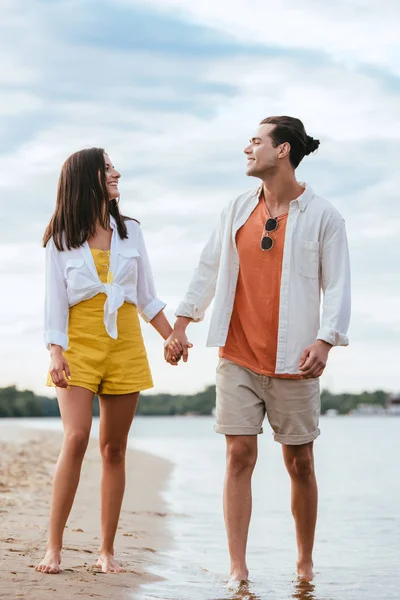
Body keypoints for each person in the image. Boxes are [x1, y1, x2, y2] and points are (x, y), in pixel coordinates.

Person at [165, 116, 351, 583]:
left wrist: (326, 341)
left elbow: (339, 285)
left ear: (283, 150)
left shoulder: (325, 216)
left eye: (256, 141)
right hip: (237, 355)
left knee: (300, 463)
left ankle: (304, 563)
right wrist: (181, 325)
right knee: (239, 456)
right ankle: (238, 569)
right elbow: (208, 267)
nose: (248, 149)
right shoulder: (234, 209)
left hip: (295, 359)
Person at [36, 148, 179, 575]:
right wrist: (55, 351)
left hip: (125, 344)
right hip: (77, 344)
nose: (117, 173)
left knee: (114, 449)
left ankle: (106, 551)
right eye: (108, 168)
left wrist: (171, 336)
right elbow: (54, 303)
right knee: (77, 437)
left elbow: (147, 296)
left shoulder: (131, 231)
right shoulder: (60, 239)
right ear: (87, 179)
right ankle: (54, 547)